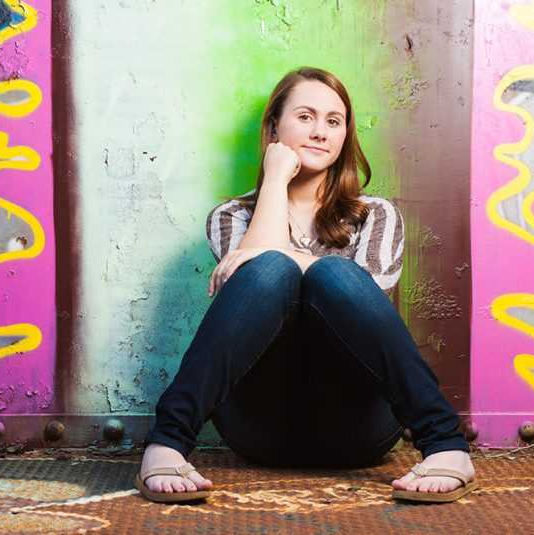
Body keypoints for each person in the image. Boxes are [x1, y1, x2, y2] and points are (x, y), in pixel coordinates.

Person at [135, 66, 477, 504]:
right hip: (259, 427)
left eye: (334, 122)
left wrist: (293, 260)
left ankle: (446, 444)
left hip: (358, 428)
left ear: (344, 137)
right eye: (305, 117)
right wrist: (276, 177)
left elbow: (365, 298)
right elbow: (257, 278)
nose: (320, 132)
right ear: (274, 126)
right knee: (268, 271)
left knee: (333, 275)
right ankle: (167, 442)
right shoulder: (231, 217)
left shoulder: (376, 215)